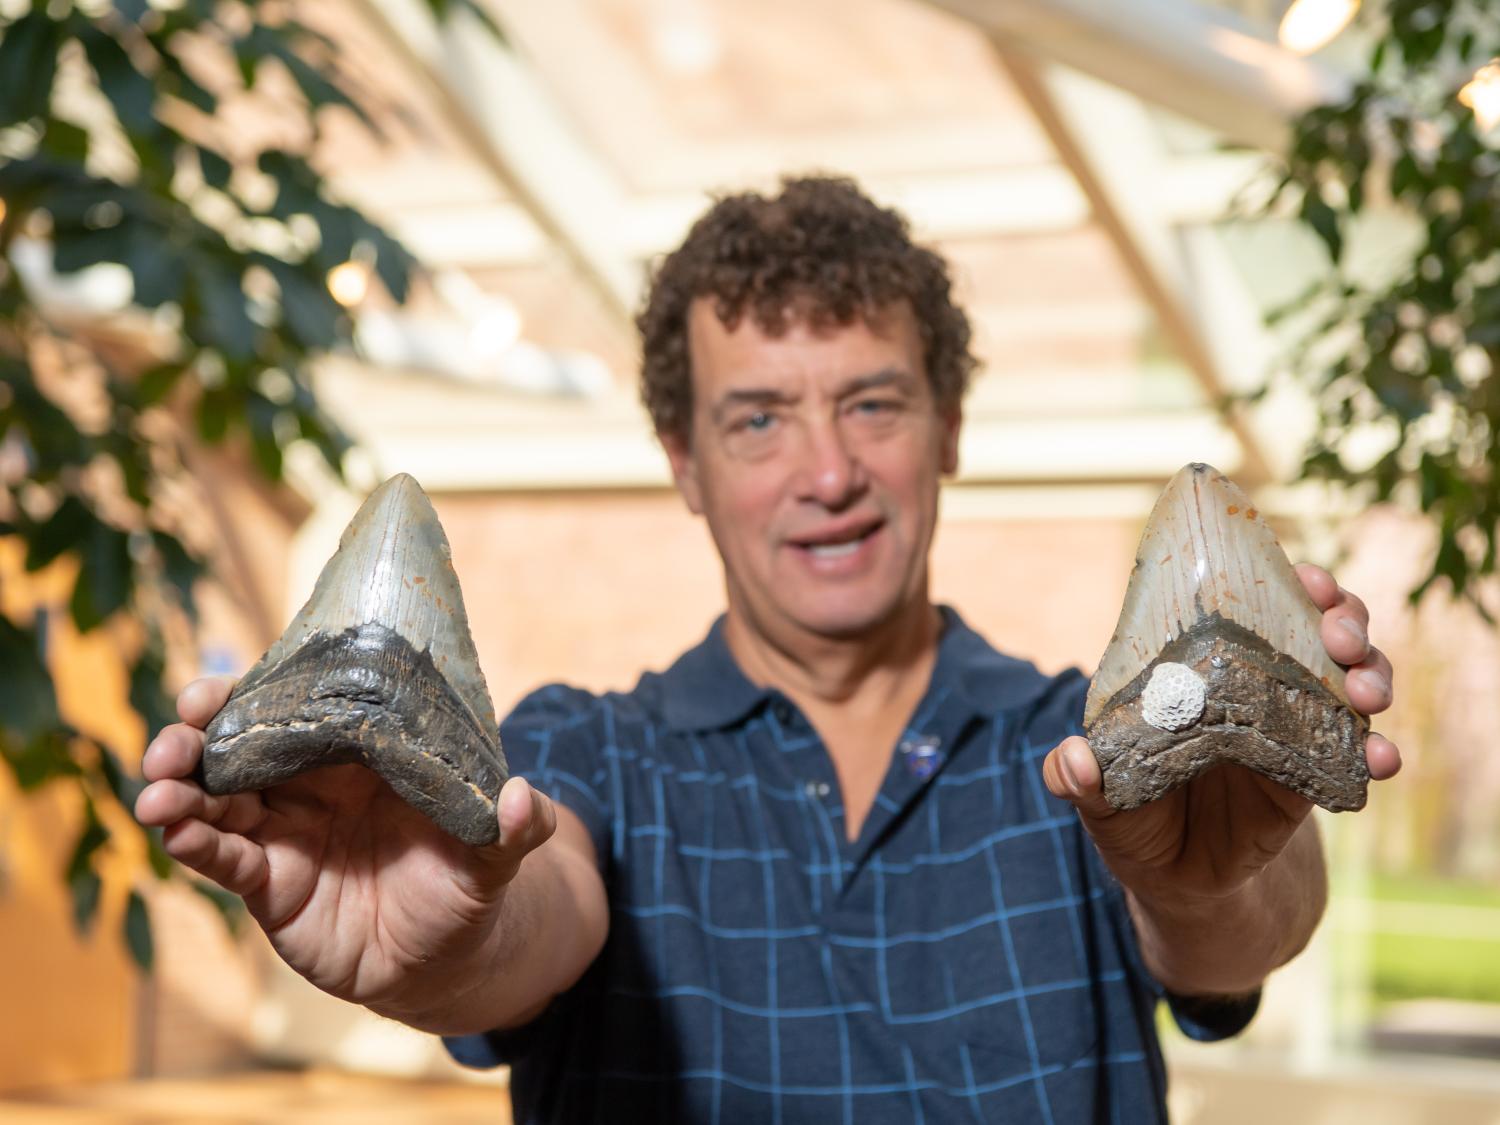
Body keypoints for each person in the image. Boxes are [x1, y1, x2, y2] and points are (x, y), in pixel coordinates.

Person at [136, 176, 1400, 1123]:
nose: (831, 473)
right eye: (758, 420)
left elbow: (1239, 930)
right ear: (685, 464)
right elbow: (529, 910)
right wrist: (441, 945)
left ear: (948, 426)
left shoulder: (1086, 743)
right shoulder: (590, 753)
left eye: (873, 402)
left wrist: (1206, 871)